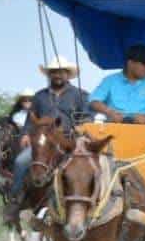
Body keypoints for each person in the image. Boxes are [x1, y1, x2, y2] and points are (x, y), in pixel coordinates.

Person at [11, 56, 88, 207]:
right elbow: (29, 120)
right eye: (53, 72)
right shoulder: (39, 96)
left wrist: (81, 125)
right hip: (43, 142)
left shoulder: (80, 95)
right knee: (20, 162)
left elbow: (87, 116)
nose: (57, 75)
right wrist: (26, 134)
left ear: (67, 74)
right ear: (49, 75)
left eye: (61, 72)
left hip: (68, 141)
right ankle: (16, 197)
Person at [89, 44, 145, 122]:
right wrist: (109, 112)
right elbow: (94, 101)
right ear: (130, 63)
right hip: (113, 128)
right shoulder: (110, 80)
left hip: (144, 131)